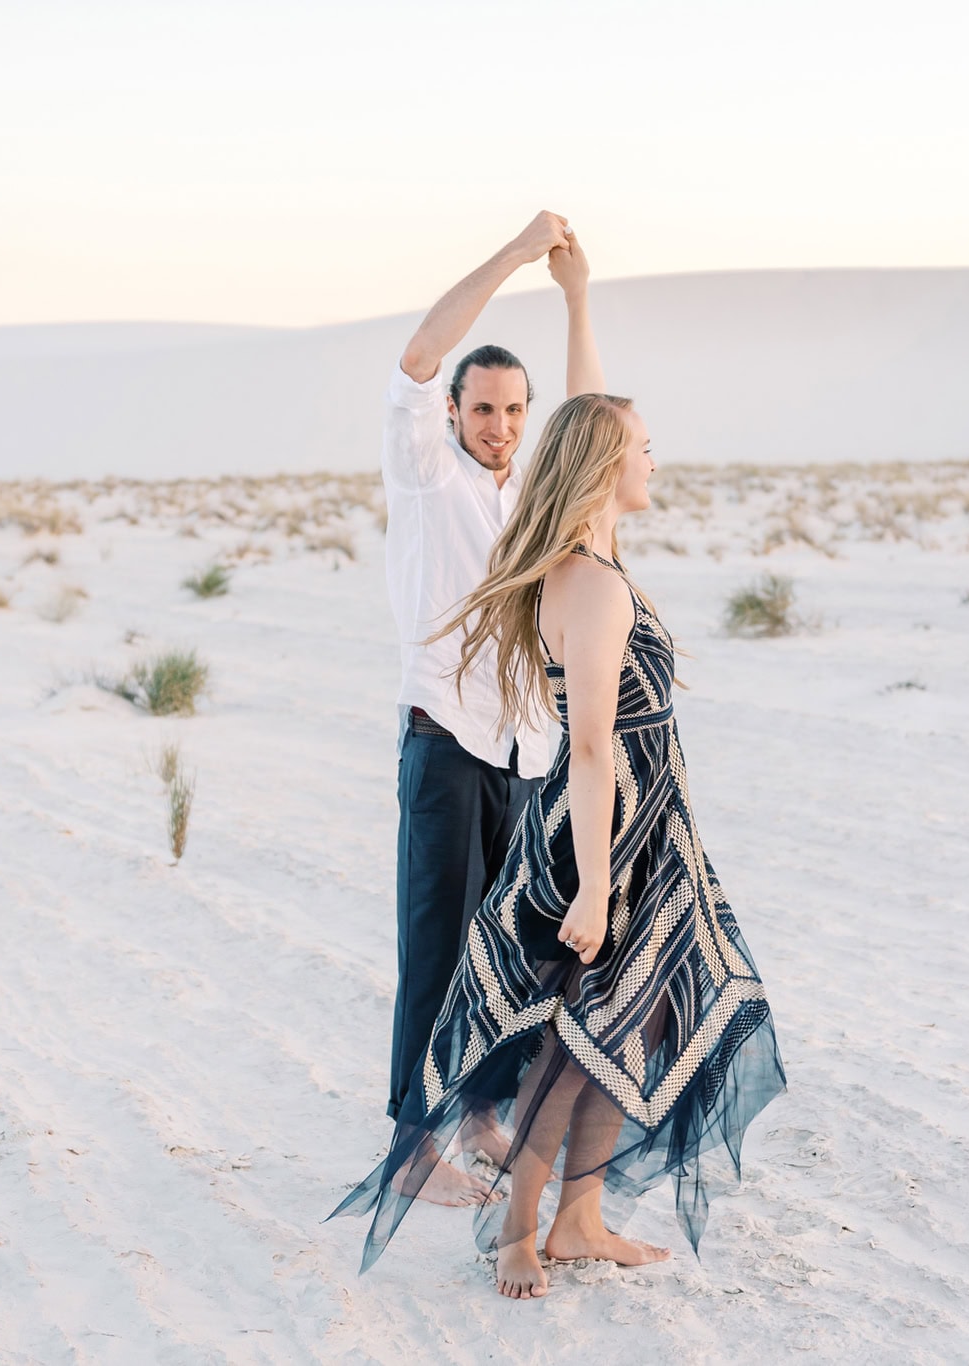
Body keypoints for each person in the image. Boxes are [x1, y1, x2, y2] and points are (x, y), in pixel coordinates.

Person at [334, 391, 787, 1297]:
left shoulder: (601, 566)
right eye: (642, 447)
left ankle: (578, 1221)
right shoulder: (590, 582)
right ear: (605, 465)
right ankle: (519, 1232)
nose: (653, 460)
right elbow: (587, 745)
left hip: (648, 827)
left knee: (634, 1021)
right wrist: (592, 885)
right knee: (575, 1042)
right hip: (605, 835)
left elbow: (591, 403)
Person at [380, 211, 606, 1206]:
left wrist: (576, 297)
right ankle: (407, 1148)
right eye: (482, 409)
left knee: (503, 951)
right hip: (445, 742)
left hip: (523, 750)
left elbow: (591, 423)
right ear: (455, 410)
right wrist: (517, 255)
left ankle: (475, 1111)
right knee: (434, 950)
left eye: (514, 410)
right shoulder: (427, 473)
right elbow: (418, 355)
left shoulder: (531, 495)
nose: (500, 426)